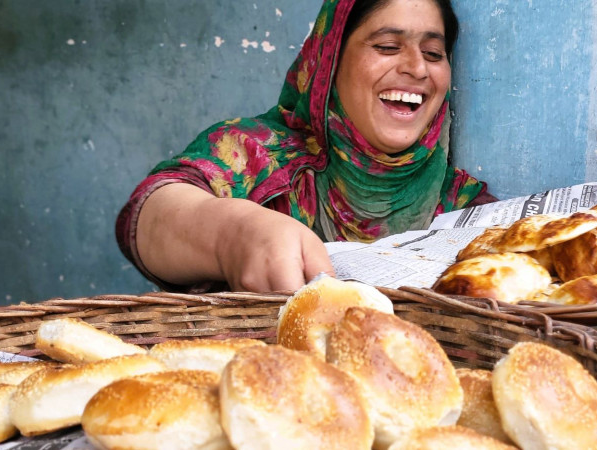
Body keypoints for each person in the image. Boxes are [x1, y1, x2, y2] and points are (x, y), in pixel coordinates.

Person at [116, 0, 495, 293]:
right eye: (387, 46)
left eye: (433, 54)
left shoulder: (461, 203)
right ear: (330, 60)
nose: (417, 68)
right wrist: (233, 234)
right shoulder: (254, 152)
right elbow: (147, 215)